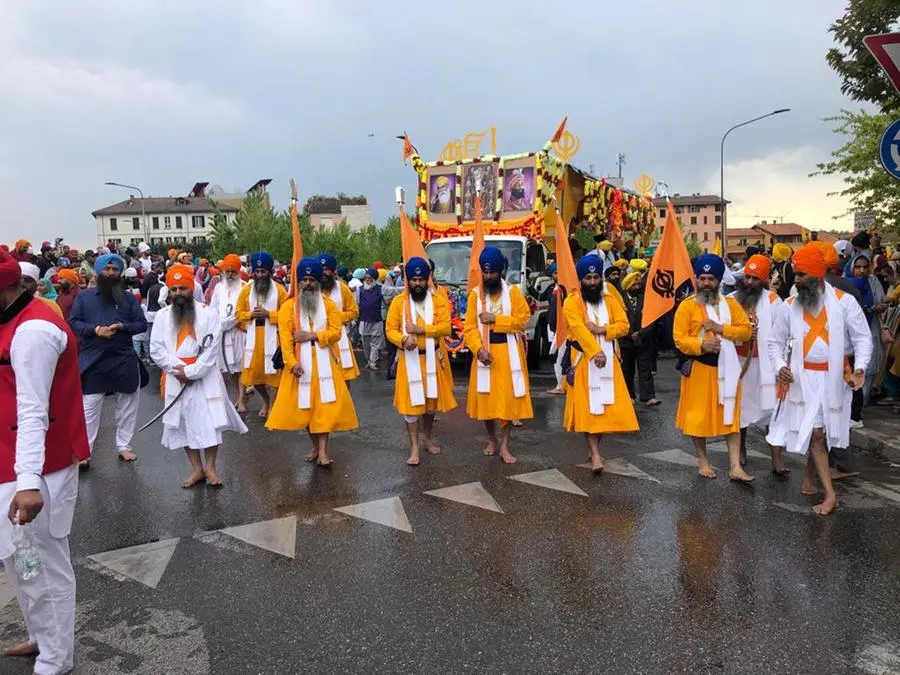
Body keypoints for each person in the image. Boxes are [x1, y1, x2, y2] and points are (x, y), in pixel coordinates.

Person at [0, 251, 90, 673]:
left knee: (43, 566)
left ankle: (56, 660)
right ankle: (41, 637)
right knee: (19, 562)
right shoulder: (10, 320)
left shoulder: (33, 330)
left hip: (37, 465)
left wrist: (29, 481)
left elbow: (32, 411)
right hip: (12, 461)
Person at [766, 244, 872, 515]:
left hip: (835, 379)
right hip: (803, 380)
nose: (796, 279)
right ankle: (830, 494)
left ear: (816, 274)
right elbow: (774, 343)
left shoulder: (844, 302)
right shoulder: (789, 306)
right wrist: (780, 367)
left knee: (820, 432)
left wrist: (860, 368)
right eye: (796, 274)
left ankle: (812, 476)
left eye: (801, 274)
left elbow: (862, 338)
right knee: (815, 433)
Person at [150, 264, 247, 488]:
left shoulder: (208, 313)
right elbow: (156, 348)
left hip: (205, 378)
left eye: (182, 288)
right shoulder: (163, 316)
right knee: (183, 423)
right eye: (173, 290)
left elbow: (212, 348)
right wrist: (178, 370)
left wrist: (192, 372)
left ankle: (211, 467)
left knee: (208, 423)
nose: (178, 294)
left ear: (191, 287)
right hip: (176, 378)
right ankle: (196, 469)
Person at [266, 258, 358, 467]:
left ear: (318, 281)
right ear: (298, 282)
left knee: (323, 407)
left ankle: (324, 451)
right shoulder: (289, 306)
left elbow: (336, 332)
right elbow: (285, 338)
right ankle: (315, 447)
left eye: (311, 280)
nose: (307, 284)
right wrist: (291, 363)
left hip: (325, 361)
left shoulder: (328, 305)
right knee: (306, 409)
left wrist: (313, 336)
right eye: (304, 279)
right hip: (299, 364)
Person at [673, 254, 754, 482]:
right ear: (696, 279)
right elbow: (679, 339)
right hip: (700, 369)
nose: (706, 283)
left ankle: (735, 467)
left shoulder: (730, 304)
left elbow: (746, 331)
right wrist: (701, 344)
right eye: (702, 278)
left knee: (731, 419)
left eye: (711, 279)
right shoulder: (687, 306)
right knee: (697, 420)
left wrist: (721, 329)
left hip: (728, 370)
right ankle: (703, 462)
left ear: (719, 280)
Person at [563, 254, 639, 472]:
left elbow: (624, 325)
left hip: (609, 361)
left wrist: (603, 330)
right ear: (581, 280)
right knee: (590, 408)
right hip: (584, 361)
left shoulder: (610, 300)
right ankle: (595, 454)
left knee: (603, 408)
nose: (593, 282)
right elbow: (578, 329)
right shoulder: (572, 302)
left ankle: (594, 448)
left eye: (597, 278)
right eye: (589, 278)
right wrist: (595, 351)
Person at [69, 254, 147, 463]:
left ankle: (124, 445)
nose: (111, 273)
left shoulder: (128, 298)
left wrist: (123, 327)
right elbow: (74, 322)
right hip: (94, 358)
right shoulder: (84, 297)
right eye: (107, 269)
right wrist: (95, 330)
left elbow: (141, 324)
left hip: (123, 357)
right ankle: (85, 452)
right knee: (90, 407)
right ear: (98, 271)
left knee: (128, 404)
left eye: (114, 269)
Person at [463, 246, 533, 464]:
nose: (489, 276)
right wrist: (478, 349)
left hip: (509, 353)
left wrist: (496, 319)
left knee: (508, 402)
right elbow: (469, 328)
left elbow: (523, 319)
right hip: (485, 354)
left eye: (493, 272)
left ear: (501, 271)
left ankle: (504, 446)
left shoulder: (513, 292)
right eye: (485, 273)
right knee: (488, 401)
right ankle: (492, 439)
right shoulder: (475, 295)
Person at [385, 257, 457, 466]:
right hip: (409, 361)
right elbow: (390, 329)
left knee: (430, 406)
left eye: (421, 280)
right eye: (413, 280)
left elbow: (446, 328)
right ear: (408, 281)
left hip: (433, 359)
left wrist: (422, 330)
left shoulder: (438, 301)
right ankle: (414, 447)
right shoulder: (400, 302)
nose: (417, 284)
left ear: (427, 280)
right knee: (411, 407)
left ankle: (427, 439)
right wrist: (403, 339)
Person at [727, 254, 786, 472]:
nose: (749, 282)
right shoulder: (732, 299)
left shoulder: (773, 301)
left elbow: (783, 333)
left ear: (764, 280)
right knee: (739, 411)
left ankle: (777, 460)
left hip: (766, 367)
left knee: (773, 413)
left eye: (754, 278)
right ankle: (740, 451)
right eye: (747, 277)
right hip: (740, 364)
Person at [236, 252, 286, 419]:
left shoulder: (279, 290)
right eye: (256, 271)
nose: (259, 275)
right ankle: (265, 401)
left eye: (263, 272)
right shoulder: (246, 291)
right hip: (253, 340)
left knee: (273, 378)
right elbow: (238, 314)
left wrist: (269, 314)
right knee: (255, 379)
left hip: (273, 338)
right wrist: (250, 315)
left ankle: (272, 405)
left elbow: (288, 316)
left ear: (269, 272)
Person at [210, 254, 248, 412]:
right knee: (229, 368)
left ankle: (241, 399)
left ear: (238, 271)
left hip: (239, 332)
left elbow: (245, 310)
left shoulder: (245, 286)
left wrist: (228, 322)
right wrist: (217, 322)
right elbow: (213, 307)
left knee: (241, 367)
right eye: (227, 271)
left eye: (233, 272)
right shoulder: (219, 288)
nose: (230, 274)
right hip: (223, 333)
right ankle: (237, 397)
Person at [619, 269, 660, 406]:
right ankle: (628, 396)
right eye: (633, 285)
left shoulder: (645, 299)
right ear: (627, 286)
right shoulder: (620, 300)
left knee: (645, 369)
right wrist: (630, 333)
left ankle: (648, 396)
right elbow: (618, 318)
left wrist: (641, 333)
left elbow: (651, 319)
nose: (637, 287)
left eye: (638, 285)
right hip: (626, 340)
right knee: (627, 370)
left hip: (643, 339)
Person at [318, 253, 360, 381]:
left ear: (333, 271)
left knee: (344, 376)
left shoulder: (342, 288)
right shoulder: (312, 289)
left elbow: (354, 312)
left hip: (339, 338)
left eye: (327, 270)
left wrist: (335, 318)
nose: (324, 273)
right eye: (321, 270)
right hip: (318, 338)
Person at [357, 267, 385, 371]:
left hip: (377, 320)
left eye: (370, 279)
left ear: (374, 279)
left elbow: (393, 291)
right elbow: (356, 303)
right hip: (364, 320)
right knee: (366, 344)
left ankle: (373, 362)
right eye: (366, 278)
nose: (368, 281)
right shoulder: (360, 289)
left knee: (375, 344)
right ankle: (369, 361)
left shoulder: (381, 288)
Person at [546, 263, 567, 395]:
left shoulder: (559, 291)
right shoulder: (553, 289)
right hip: (558, 328)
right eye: (555, 273)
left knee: (559, 357)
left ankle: (561, 385)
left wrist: (554, 328)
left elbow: (554, 312)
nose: (557, 276)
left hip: (561, 328)